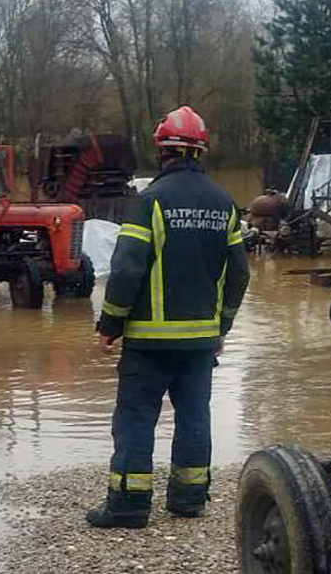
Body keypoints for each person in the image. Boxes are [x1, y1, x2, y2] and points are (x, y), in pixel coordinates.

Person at [87, 106, 250, 529]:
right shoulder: (224, 204)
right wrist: (223, 327)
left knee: (136, 419)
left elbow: (125, 269)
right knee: (195, 417)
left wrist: (109, 325)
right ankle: (189, 499)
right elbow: (240, 274)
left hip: (149, 343)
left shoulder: (150, 202)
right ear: (201, 152)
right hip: (200, 344)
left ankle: (128, 505)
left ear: (163, 151)